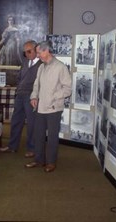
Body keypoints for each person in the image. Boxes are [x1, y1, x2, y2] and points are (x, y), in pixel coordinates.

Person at [26, 41, 72, 173]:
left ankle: (51, 162)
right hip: (40, 108)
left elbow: (68, 89)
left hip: (54, 108)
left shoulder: (60, 67)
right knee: (38, 135)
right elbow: (36, 85)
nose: (37, 55)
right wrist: (34, 97)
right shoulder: (41, 67)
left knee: (52, 137)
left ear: (47, 51)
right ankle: (39, 160)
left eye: (39, 52)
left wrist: (53, 96)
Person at [0, 40, 41, 157]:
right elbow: (19, 77)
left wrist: (35, 95)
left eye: (29, 51)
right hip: (20, 95)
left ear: (36, 50)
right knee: (16, 121)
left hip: (31, 96)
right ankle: (12, 146)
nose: (27, 54)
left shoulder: (41, 65)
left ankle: (32, 148)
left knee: (32, 124)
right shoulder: (25, 62)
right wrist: (18, 88)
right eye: (25, 52)